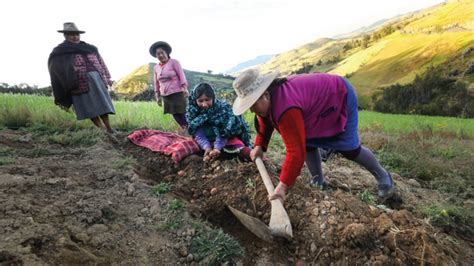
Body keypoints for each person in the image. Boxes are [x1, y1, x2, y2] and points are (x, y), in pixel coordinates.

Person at [232, 68, 395, 202]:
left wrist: (282, 186)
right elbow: (264, 121)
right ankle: (318, 181)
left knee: (349, 148)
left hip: (338, 95)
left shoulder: (285, 107)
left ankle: (383, 176)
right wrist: (260, 145)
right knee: (308, 143)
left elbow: (295, 153)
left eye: (253, 105)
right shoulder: (268, 102)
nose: (252, 110)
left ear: (265, 95)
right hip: (314, 107)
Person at [48, 22, 116, 134]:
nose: (75, 37)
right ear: (65, 36)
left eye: (77, 34)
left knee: (102, 104)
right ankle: (101, 130)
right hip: (78, 82)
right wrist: (69, 71)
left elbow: (101, 62)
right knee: (88, 106)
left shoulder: (90, 48)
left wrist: (107, 77)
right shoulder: (60, 51)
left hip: (97, 80)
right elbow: (55, 67)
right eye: (71, 35)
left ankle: (109, 128)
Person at [186, 83, 252, 162]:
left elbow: (225, 132)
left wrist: (217, 147)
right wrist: (207, 147)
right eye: (200, 101)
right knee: (190, 148)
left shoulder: (222, 110)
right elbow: (199, 135)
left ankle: (256, 157)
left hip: (225, 140)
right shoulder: (193, 114)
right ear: (194, 100)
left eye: (207, 99)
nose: (204, 104)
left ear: (213, 98)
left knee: (240, 147)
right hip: (205, 142)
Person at [149, 41, 188, 130]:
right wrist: (157, 96)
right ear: (156, 56)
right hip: (165, 94)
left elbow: (181, 75)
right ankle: (184, 128)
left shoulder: (174, 62)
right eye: (158, 54)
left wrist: (184, 87)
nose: (160, 55)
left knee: (182, 111)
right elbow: (156, 82)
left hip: (177, 92)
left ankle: (190, 129)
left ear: (166, 52)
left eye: (162, 52)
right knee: (173, 112)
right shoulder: (156, 67)